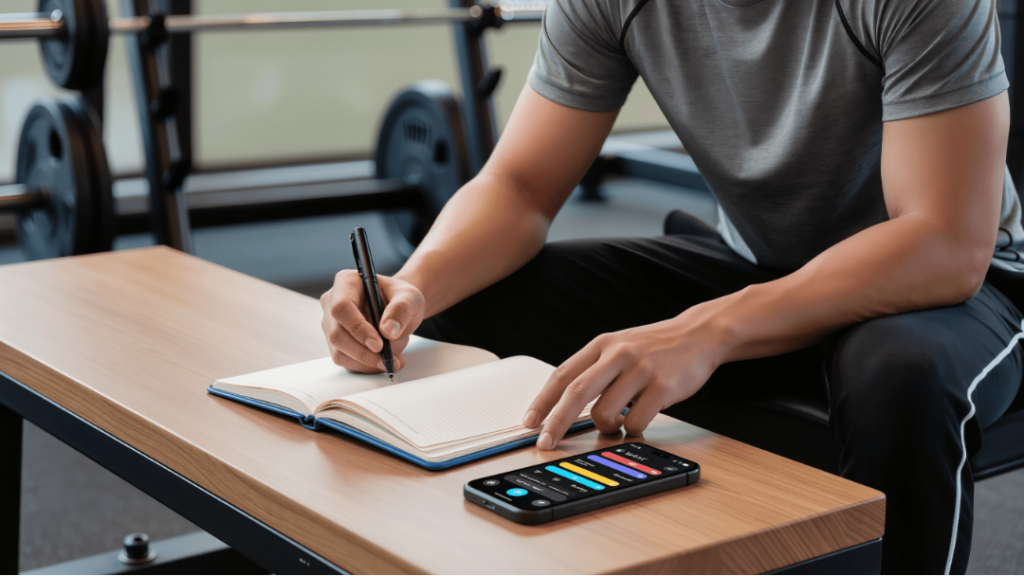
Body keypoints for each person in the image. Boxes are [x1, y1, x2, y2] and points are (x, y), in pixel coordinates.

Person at [320, 0, 1023, 572]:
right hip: (755, 266)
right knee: (476, 303)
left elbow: (943, 242)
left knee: (899, 377)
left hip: (949, 283)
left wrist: (710, 329)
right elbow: (520, 186)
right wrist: (410, 288)